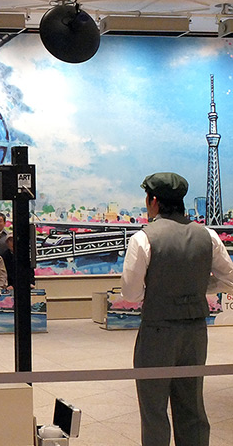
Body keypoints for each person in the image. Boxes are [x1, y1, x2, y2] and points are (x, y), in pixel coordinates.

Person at [121, 172, 233, 446]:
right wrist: (198, 286)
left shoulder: (143, 239)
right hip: (195, 331)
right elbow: (230, 279)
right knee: (192, 406)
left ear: (154, 201)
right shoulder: (208, 236)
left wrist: (162, 287)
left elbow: (131, 293)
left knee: (154, 409)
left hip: (157, 331)